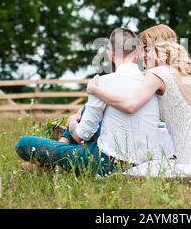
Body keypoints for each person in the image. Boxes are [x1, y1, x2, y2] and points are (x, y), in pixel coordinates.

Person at [15, 28, 175, 176]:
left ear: (110, 54)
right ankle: (54, 159)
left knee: (24, 143)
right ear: (139, 53)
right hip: (144, 160)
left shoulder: (103, 82)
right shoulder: (152, 82)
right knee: (89, 118)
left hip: (108, 162)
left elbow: (81, 135)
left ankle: (51, 159)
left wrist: (72, 122)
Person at [87, 24, 191, 176]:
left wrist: (96, 91)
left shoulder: (158, 74)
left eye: (146, 49)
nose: (142, 56)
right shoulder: (182, 72)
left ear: (160, 47)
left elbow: (130, 105)